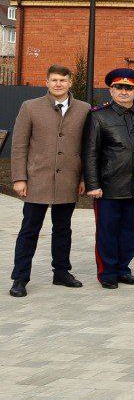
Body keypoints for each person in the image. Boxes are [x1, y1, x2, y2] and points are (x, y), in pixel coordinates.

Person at [8, 65, 90, 298]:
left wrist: (84, 178)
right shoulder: (30, 107)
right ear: (46, 82)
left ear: (70, 82)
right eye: (53, 80)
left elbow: (87, 147)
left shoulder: (84, 109)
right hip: (37, 180)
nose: (58, 84)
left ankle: (61, 272)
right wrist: (19, 178)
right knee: (29, 230)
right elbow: (19, 145)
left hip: (69, 180)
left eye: (62, 80)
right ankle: (20, 277)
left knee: (63, 229)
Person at [81, 68, 134, 289]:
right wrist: (93, 184)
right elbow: (90, 153)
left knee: (130, 231)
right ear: (111, 90)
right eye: (119, 87)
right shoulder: (98, 116)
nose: (124, 92)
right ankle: (107, 272)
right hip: (108, 187)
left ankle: (123, 269)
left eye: (129, 88)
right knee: (107, 232)